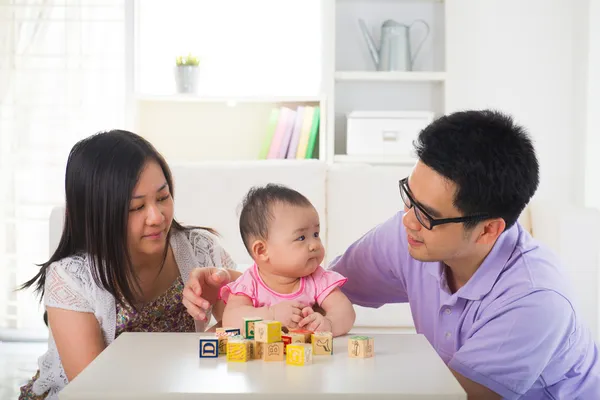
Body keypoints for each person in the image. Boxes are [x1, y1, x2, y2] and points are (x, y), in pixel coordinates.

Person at [183, 110, 600, 399]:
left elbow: (458, 396)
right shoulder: (410, 233)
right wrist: (229, 289)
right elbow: (308, 285)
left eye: (428, 215)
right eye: (409, 197)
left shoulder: (534, 300)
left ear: (488, 230)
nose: (407, 221)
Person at [18, 130, 237, 400]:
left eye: (162, 197)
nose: (156, 217)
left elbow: (252, 325)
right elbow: (93, 390)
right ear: (97, 213)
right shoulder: (71, 277)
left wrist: (228, 282)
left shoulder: (199, 250)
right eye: (136, 208)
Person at [219, 184, 355, 336]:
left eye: (316, 234)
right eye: (301, 237)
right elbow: (231, 320)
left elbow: (345, 311)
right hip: (263, 358)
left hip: (306, 357)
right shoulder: (248, 284)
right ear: (262, 251)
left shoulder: (318, 279)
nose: (315, 245)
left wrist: (328, 324)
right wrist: (271, 315)